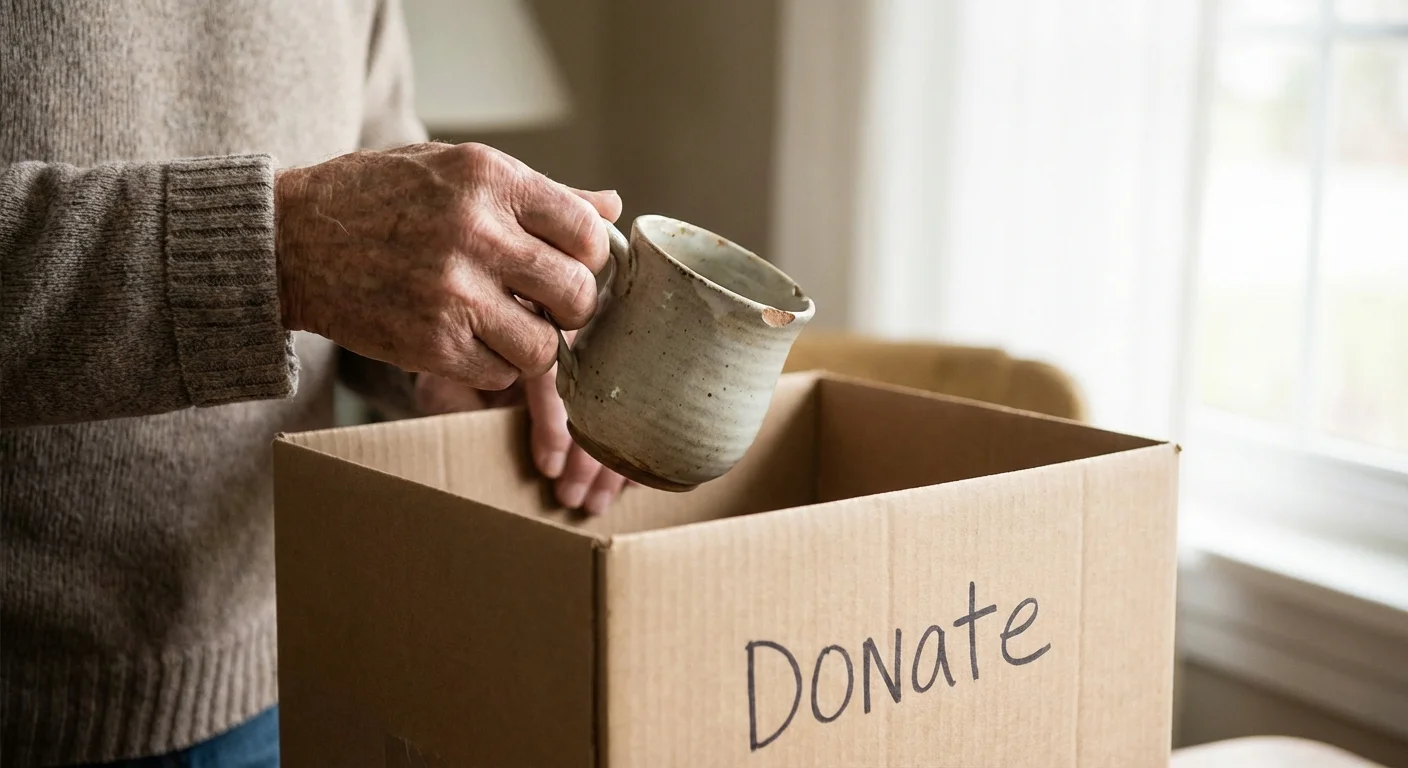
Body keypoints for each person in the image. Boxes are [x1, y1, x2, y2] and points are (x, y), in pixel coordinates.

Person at [0, 1, 628, 764]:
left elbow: (371, 148)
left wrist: (441, 355)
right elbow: (309, 240)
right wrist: (278, 251)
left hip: (284, 669)